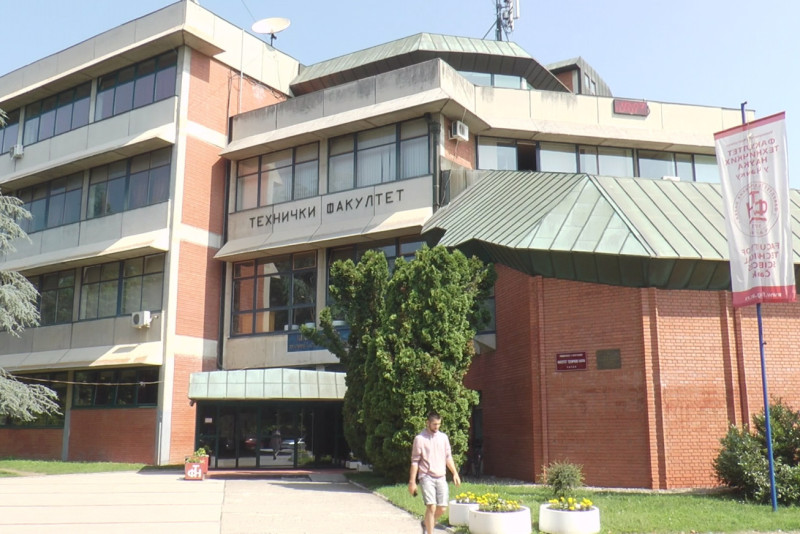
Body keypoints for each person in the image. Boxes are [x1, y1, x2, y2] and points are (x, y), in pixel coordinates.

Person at [408, 412, 461, 534]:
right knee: (431, 506)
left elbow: (448, 457)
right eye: (434, 424)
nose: (437, 426)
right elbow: (415, 461)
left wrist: (455, 473)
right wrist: (412, 482)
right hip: (426, 476)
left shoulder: (443, 438)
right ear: (428, 423)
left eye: (439, 424)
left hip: (441, 476)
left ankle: (426, 523)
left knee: (442, 508)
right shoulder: (420, 439)